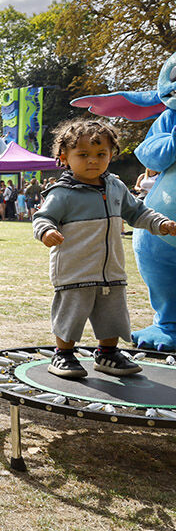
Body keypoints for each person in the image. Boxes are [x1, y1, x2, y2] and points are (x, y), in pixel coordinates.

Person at [33, 118, 176, 379]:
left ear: (111, 154)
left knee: (113, 315)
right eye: (83, 154)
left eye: (101, 154)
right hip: (75, 271)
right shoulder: (62, 192)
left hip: (111, 271)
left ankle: (108, 353)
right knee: (71, 315)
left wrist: (161, 223)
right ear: (64, 157)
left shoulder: (115, 187)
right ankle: (63, 354)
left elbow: (138, 212)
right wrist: (46, 231)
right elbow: (43, 217)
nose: (93, 161)